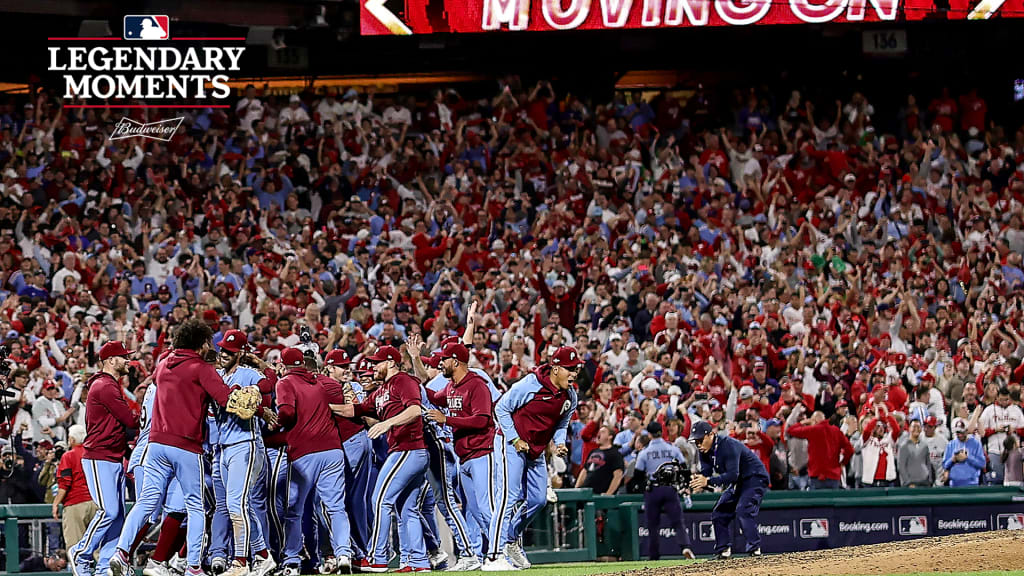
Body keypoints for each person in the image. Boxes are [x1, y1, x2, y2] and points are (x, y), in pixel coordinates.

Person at [110, 320, 236, 576]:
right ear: (201, 344)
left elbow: (158, 376)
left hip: (156, 444)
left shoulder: (163, 364)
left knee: (146, 502)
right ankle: (192, 567)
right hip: (186, 445)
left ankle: (121, 553)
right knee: (195, 506)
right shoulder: (200, 367)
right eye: (207, 343)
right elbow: (225, 398)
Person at [331, 345, 429, 573]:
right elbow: (355, 410)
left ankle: (378, 557)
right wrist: (323, 406)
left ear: (391, 363)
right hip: (407, 451)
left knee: (379, 499)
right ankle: (418, 562)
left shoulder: (403, 381)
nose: (373, 367)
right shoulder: (382, 390)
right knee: (407, 509)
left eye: (377, 363)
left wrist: (387, 422)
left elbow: (415, 410)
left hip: (409, 449)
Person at [485, 346, 580, 572]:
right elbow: (501, 409)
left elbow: (562, 422)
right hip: (510, 443)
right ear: (555, 368)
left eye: (576, 369)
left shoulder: (570, 395)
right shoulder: (531, 383)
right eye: (570, 369)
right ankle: (493, 556)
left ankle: (510, 539)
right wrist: (515, 439)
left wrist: (559, 442)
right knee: (508, 497)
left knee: (538, 499)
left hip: (535, 450)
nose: (574, 374)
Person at [276, 347, 352, 575]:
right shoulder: (320, 383)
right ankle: (344, 554)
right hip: (332, 450)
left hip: (304, 452)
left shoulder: (285, 383)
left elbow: (287, 414)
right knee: (336, 507)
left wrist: (273, 425)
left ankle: (291, 560)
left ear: (283, 365)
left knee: (294, 510)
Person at [69, 341, 139, 576]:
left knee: (118, 517)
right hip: (99, 456)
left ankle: (104, 567)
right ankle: (81, 552)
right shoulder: (104, 385)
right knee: (109, 512)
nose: (128, 361)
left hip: (113, 456)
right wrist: (143, 413)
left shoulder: (108, 384)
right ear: (111, 360)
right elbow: (130, 421)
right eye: (123, 357)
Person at [212, 330, 279, 576]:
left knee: (235, 504)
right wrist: (261, 410)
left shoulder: (248, 373)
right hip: (222, 446)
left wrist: (261, 366)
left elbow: (268, 384)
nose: (224, 353)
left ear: (240, 352)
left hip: (245, 443)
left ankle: (240, 562)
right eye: (222, 349)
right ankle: (262, 556)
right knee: (242, 506)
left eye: (230, 350)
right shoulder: (216, 375)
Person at [421, 340, 491, 570]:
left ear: (456, 361)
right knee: (475, 511)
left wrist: (446, 419)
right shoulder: (451, 386)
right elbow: (433, 396)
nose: (440, 363)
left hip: (483, 453)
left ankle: (506, 551)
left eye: (444, 359)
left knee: (486, 508)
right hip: (465, 456)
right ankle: (477, 557)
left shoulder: (476, 385)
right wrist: (413, 369)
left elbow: (482, 419)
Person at [689, 420, 769, 559]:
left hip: (754, 478)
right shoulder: (704, 451)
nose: (699, 444)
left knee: (743, 509)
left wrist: (707, 481)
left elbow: (732, 475)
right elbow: (706, 472)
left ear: (711, 435)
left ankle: (754, 550)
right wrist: (696, 480)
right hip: (739, 482)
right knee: (718, 513)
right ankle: (723, 550)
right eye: (696, 441)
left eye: (701, 440)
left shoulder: (728, 445)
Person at [634, 421, 694, 560]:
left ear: (649, 434)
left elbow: (637, 474)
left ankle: (654, 556)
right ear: (661, 431)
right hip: (670, 488)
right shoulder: (672, 449)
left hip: (653, 489)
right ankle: (685, 547)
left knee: (652, 526)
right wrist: (684, 486)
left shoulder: (645, 452)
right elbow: (684, 468)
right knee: (678, 522)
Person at [53, 425, 97, 555]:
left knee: (75, 549)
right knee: (99, 548)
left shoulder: (68, 456)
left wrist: (55, 503)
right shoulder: (94, 453)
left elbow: (65, 483)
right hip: (96, 502)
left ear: (72, 439)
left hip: (75, 504)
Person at [785, 407, 853, 490]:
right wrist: (843, 462)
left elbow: (791, 430)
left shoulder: (813, 430)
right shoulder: (836, 431)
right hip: (834, 475)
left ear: (814, 420)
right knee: (833, 502)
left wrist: (803, 422)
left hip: (816, 475)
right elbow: (849, 449)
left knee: (816, 502)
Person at [576, 425, 624, 495]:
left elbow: (618, 475)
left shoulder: (615, 454)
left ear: (610, 436)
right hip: (585, 492)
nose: (599, 434)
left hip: (599, 494)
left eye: (603, 432)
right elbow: (584, 471)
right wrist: (576, 488)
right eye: (599, 432)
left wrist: (609, 493)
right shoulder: (593, 452)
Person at [943, 418, 986, 487]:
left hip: (972, 484)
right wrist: (952, 459)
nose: (959, 435)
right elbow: (945, 465)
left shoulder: (976, 444)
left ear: (966, 431)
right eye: (957, 432)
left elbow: (982, 464)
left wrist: (967, 458)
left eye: (962, 432)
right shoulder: (951, 444)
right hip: (954, 484)